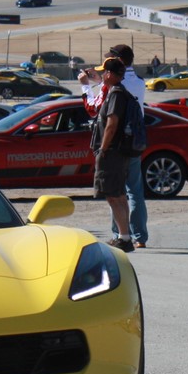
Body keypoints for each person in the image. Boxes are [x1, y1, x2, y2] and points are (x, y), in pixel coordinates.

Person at [79, 44, 149, 248]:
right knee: (134, 191)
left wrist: (86, 86)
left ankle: (120, 233)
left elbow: (95, 110)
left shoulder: (113, 90)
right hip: (133, 141)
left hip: (115, 146)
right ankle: (139, 236)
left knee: (114, 192)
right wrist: (100, 80)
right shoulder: (138, 82)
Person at [90, 57, 138, 252]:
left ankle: (124, 237)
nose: (102, 75)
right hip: (119, 151)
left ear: (110, 74)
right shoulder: (119, 92)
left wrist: (103, 148)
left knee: (113, 194)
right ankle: (124, 236)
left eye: (104, 72)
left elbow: (112, 123)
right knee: (118, 194)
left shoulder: (116, 94)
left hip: (113, 152)